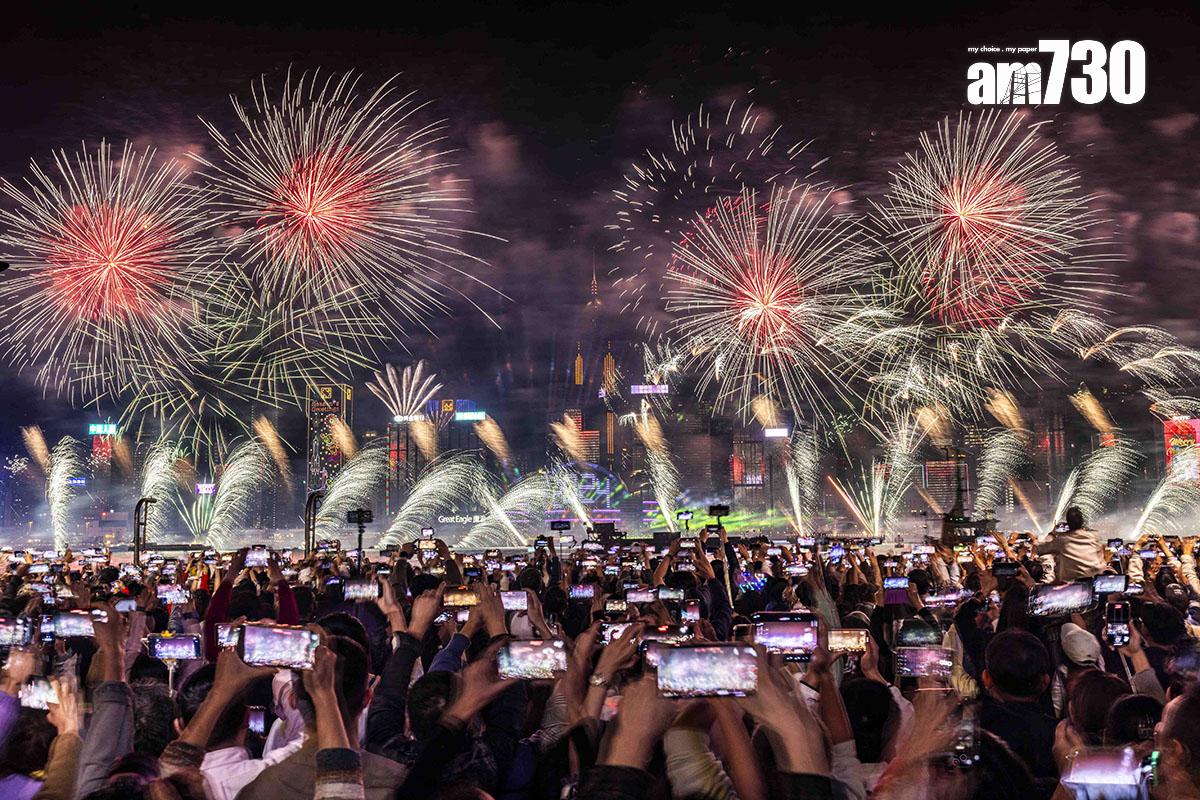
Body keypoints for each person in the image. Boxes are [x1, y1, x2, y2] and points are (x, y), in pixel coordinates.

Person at [1034, 507, 1108, 583]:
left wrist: (1051, 534)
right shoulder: (1094, 536)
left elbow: (1039, 549)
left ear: (1068, 523)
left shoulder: (1062, 540)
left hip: (1071, 585)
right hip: (1097, 581)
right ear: (1082, 521)